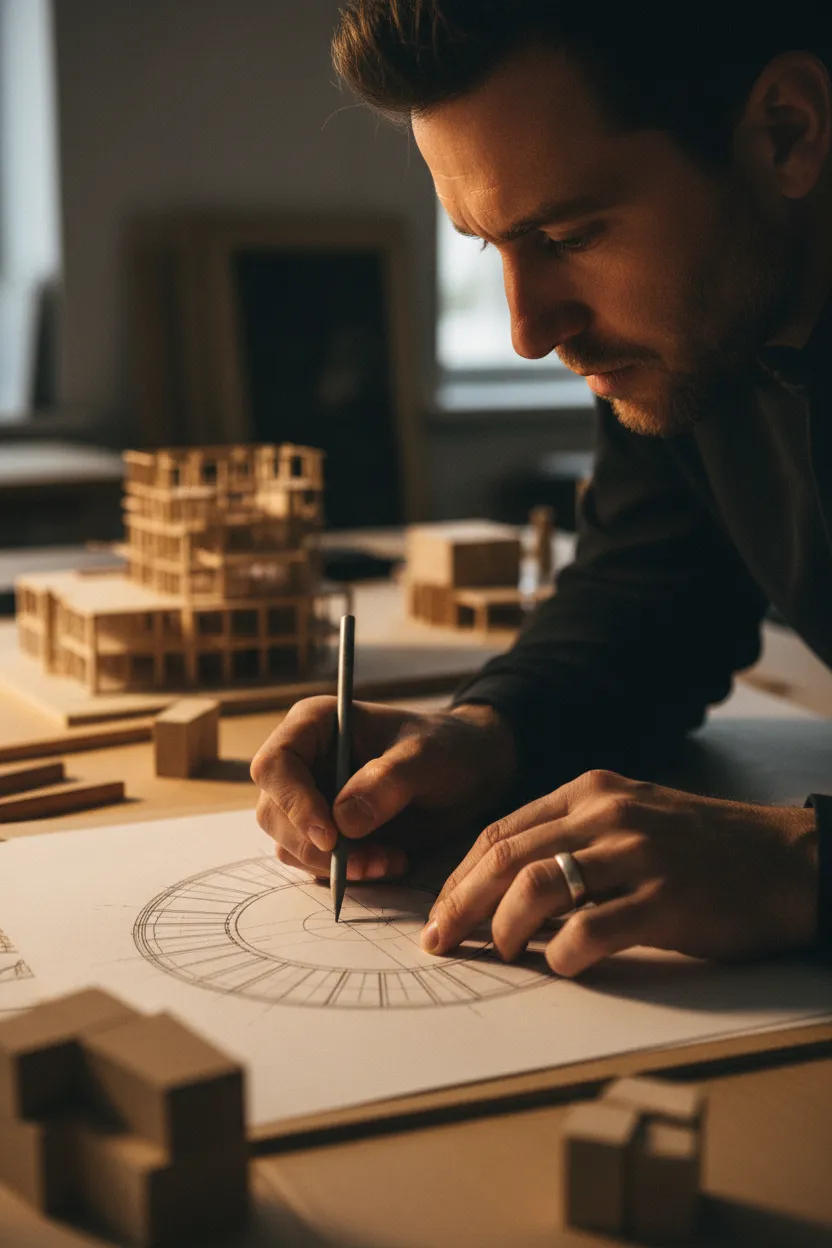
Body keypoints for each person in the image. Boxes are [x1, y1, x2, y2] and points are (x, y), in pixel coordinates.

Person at [251, 3, 832, 977]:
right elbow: (652, 591)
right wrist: (490, 731)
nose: (528, 330)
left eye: (566, 233)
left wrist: (800, 866)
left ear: (786, 132)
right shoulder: (696, 338)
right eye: (490, 246)